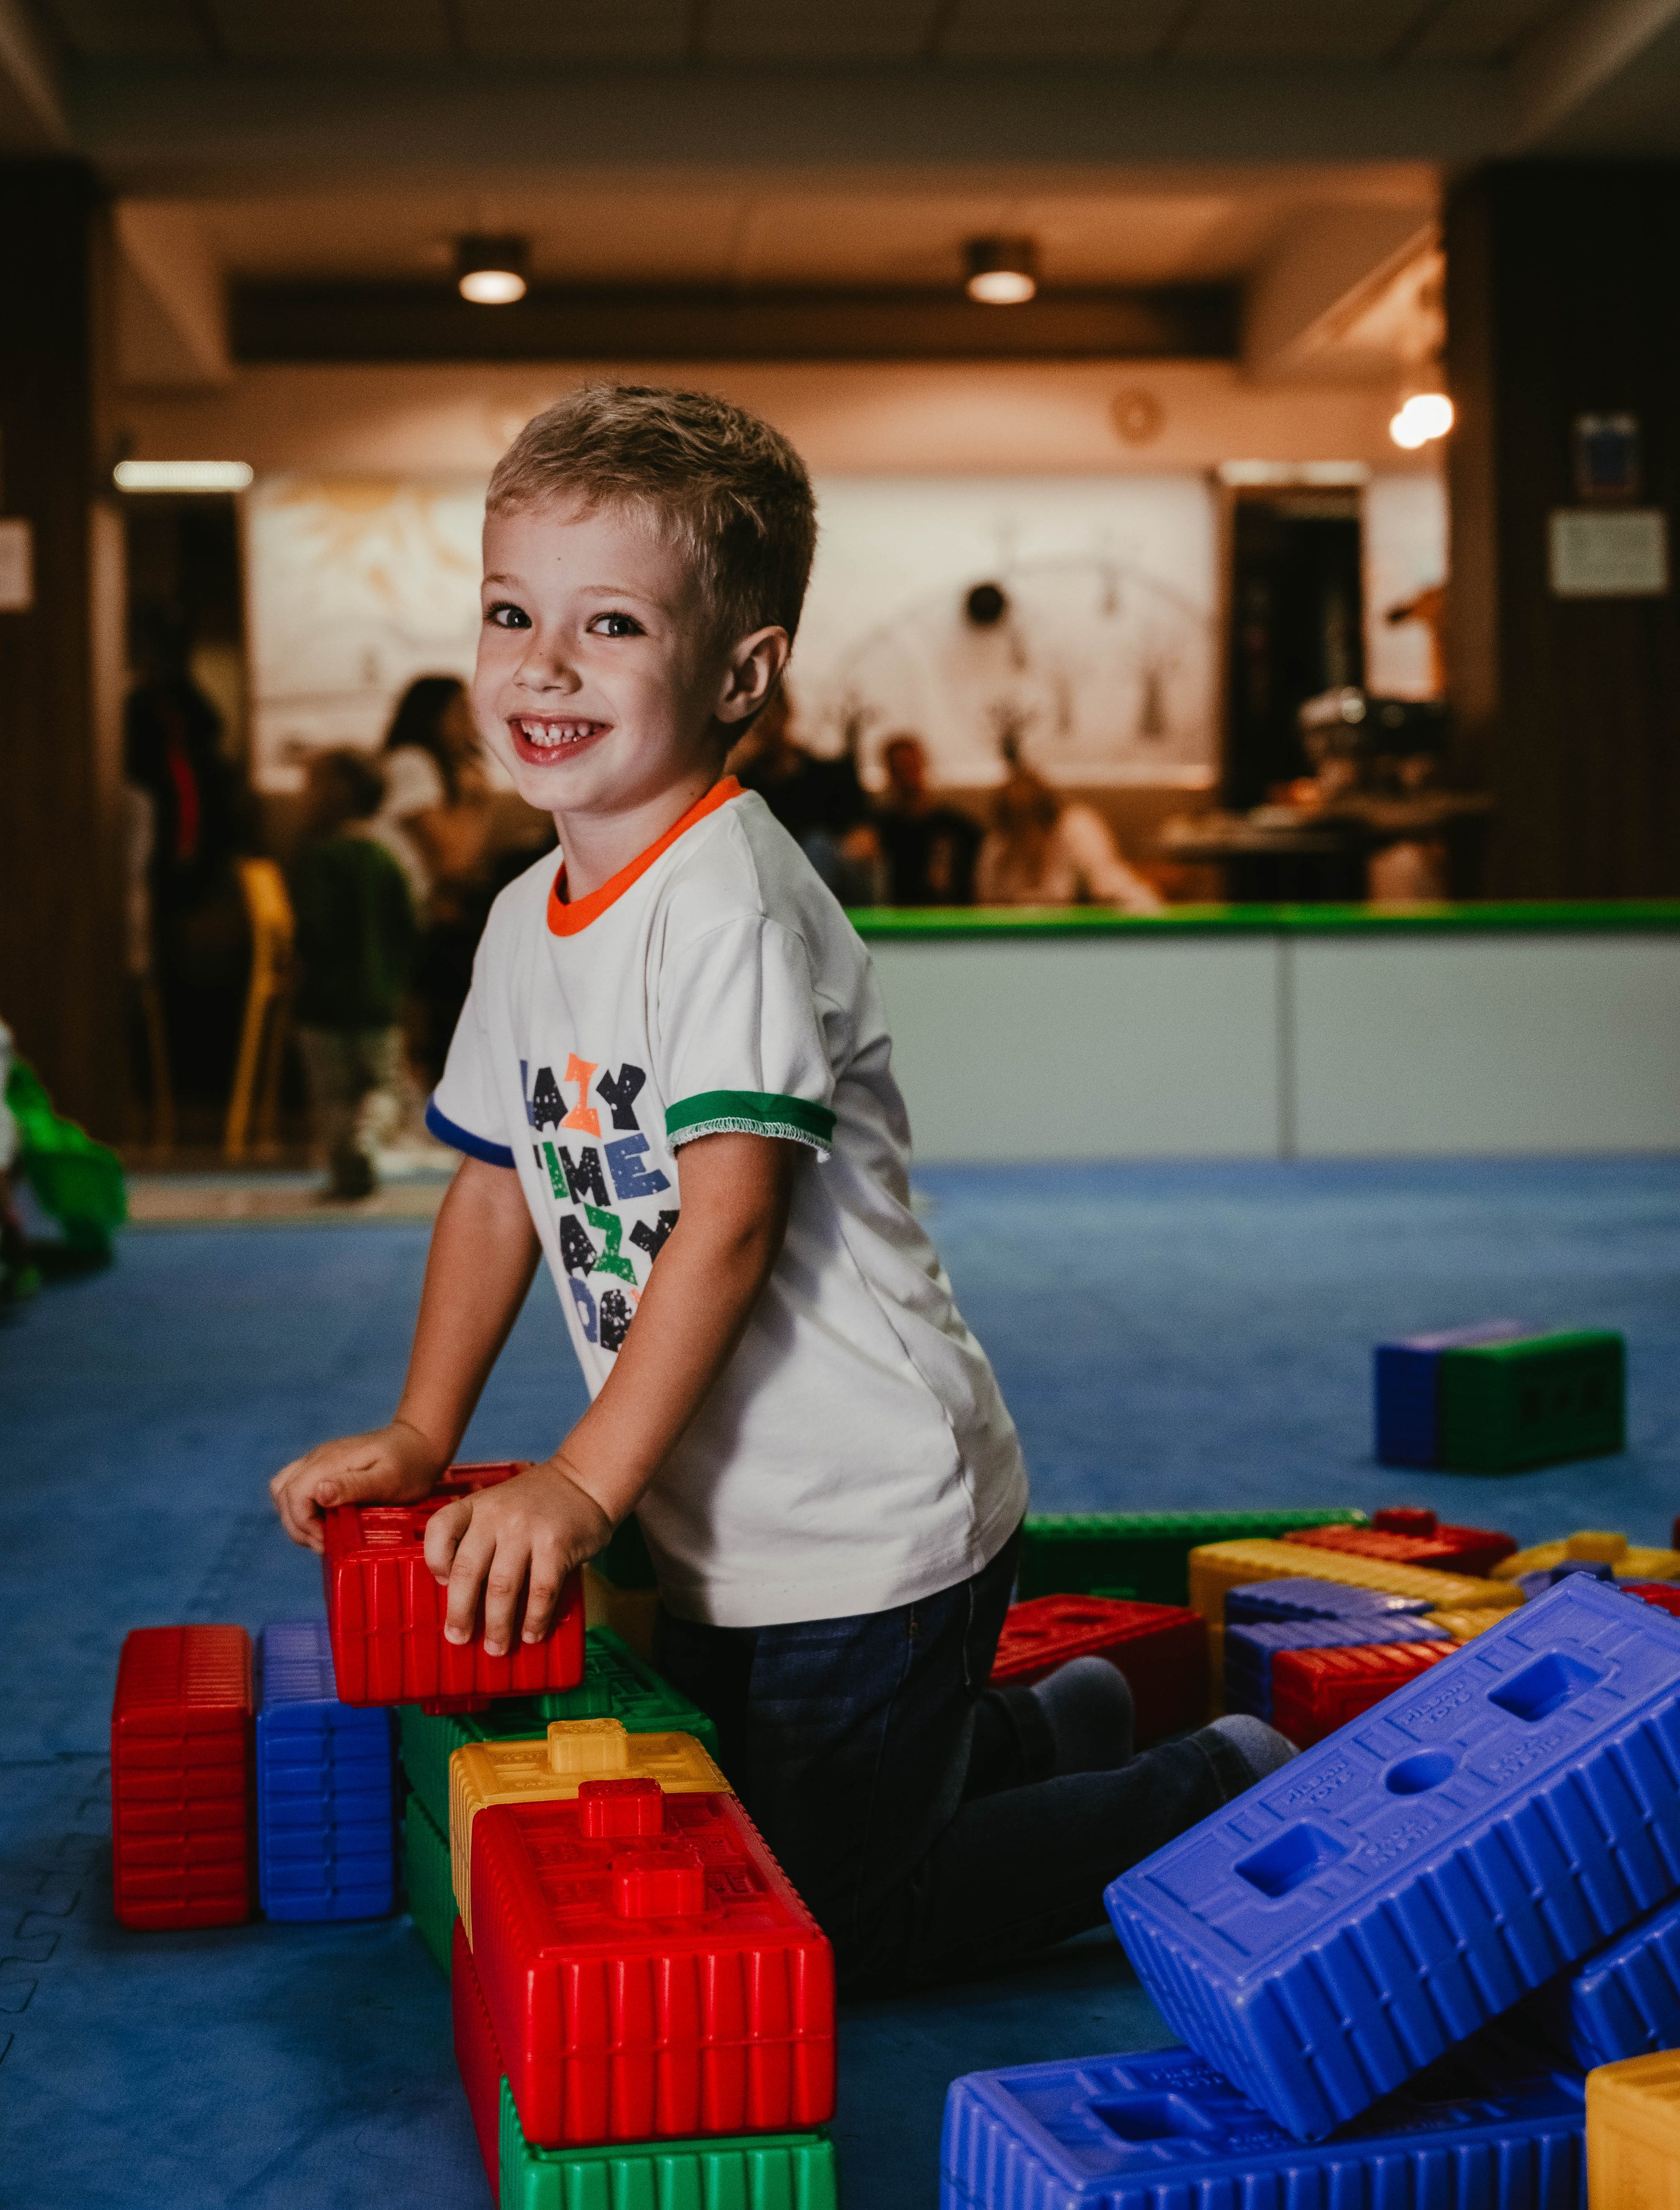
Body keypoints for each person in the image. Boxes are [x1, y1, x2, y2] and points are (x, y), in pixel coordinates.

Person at [268, 385, 1291, 1999]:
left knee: (826, 1916)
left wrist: (584, 1487)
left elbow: (726, 1215)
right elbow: (488, 1182)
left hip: (864, 1512)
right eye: (509, 610)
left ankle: (1204, 1789)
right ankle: (1051, 1721)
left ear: (740, 672)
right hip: (725, 1515)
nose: (540, 661)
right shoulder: (527, 915)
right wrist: (416, 1426)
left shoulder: (730, 899)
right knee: (750, 1821)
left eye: (609, 623)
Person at [289, 750, 418, 1200]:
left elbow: (312, 930)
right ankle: (369, 1137)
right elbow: (407, 927)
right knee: (383, 1087)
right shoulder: (386, 859)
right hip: (379, 1003)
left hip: (323, 1004)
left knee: (333, 1095)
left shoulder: (320, 859)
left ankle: (344, 1169)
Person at [371, 675, 495, 1081]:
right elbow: (456, 862)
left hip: (403, 913)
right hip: (385, 918)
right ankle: (450, 1078)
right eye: (459, 713)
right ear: (432, 717)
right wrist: (479, 801)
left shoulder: (426, 768)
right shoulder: (411, 763)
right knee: (477, 953)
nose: (470, 724)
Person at [728, 687, 879, 906]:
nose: (759, 725)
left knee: (818, 844)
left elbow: (865, 842)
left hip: (828, 889)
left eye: (765, 716)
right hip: (766, 884)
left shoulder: (831, 774)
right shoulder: (741, 784)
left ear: (786, 714)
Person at [976, 764, 1163, 913]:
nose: (1021, 840)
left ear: (1048, 822)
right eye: (1013, 830)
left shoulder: (1078, 831)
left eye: (1027, 826)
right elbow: (987, 912)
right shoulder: (997, 846)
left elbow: (1136, 902)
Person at [874, 732, 980, 907]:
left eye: (910, 766)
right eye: (899, 769)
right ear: (890, 774)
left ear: (922, 765)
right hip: (898, 920)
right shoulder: (881, 828)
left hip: (951, 920)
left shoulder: (957, 827)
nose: (907, 775)